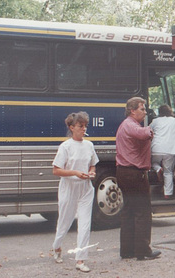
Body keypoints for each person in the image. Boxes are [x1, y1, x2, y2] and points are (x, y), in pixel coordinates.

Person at [51, 111, 99, 273]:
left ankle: (80, 259)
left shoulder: (89, 145)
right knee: (64, 222)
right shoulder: (65, 147)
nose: (83, 129)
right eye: (80, 126)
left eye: (85, 126)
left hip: (86, 189)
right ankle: (57, 247)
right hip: (69, 188)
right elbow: (56, 171)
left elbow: (93, 164)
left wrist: (91, 173)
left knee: (85, 224)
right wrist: (75, 173)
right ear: (72, 128)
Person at [115, 97, 161, 261]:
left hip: (124, 172)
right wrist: (151, 130)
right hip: (134, 173)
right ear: (132, 110)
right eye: (142, 108)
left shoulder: (125, 125)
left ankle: (127, 250)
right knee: (142, 211)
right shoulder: (131, 125)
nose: (145, 111)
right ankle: (143, 250)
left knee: (129, 211)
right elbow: (143, 134)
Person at [150, 104, 175, 199]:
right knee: (168, 172)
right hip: (171, 150)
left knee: (153, 162)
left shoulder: (155, 121)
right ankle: (168, 193)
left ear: (160, 112)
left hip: (157, 148)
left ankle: (158, 169)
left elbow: (149, 130)